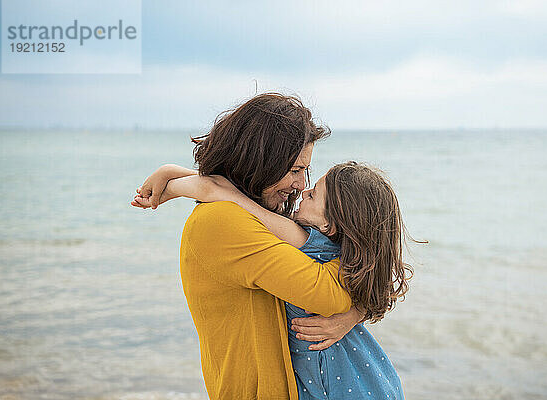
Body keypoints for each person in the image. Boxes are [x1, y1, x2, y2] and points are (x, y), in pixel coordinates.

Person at [132, 93, 364, 400]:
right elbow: (332, 294)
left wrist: (181, 179)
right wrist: (350, 309)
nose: (300, 184)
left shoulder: (245, 214)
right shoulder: (223, 222)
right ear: (260, 161)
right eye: (294, 170)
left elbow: (372, 278)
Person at [133, 161, 412, 399]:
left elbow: (227, 196)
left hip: (336, 386)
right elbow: (233, 194)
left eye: (314, 195)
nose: (304, 190)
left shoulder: (304, 241)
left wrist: (170, 184)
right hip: (370, 376)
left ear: (329, 225)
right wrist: (352, 316)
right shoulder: (347, 256)